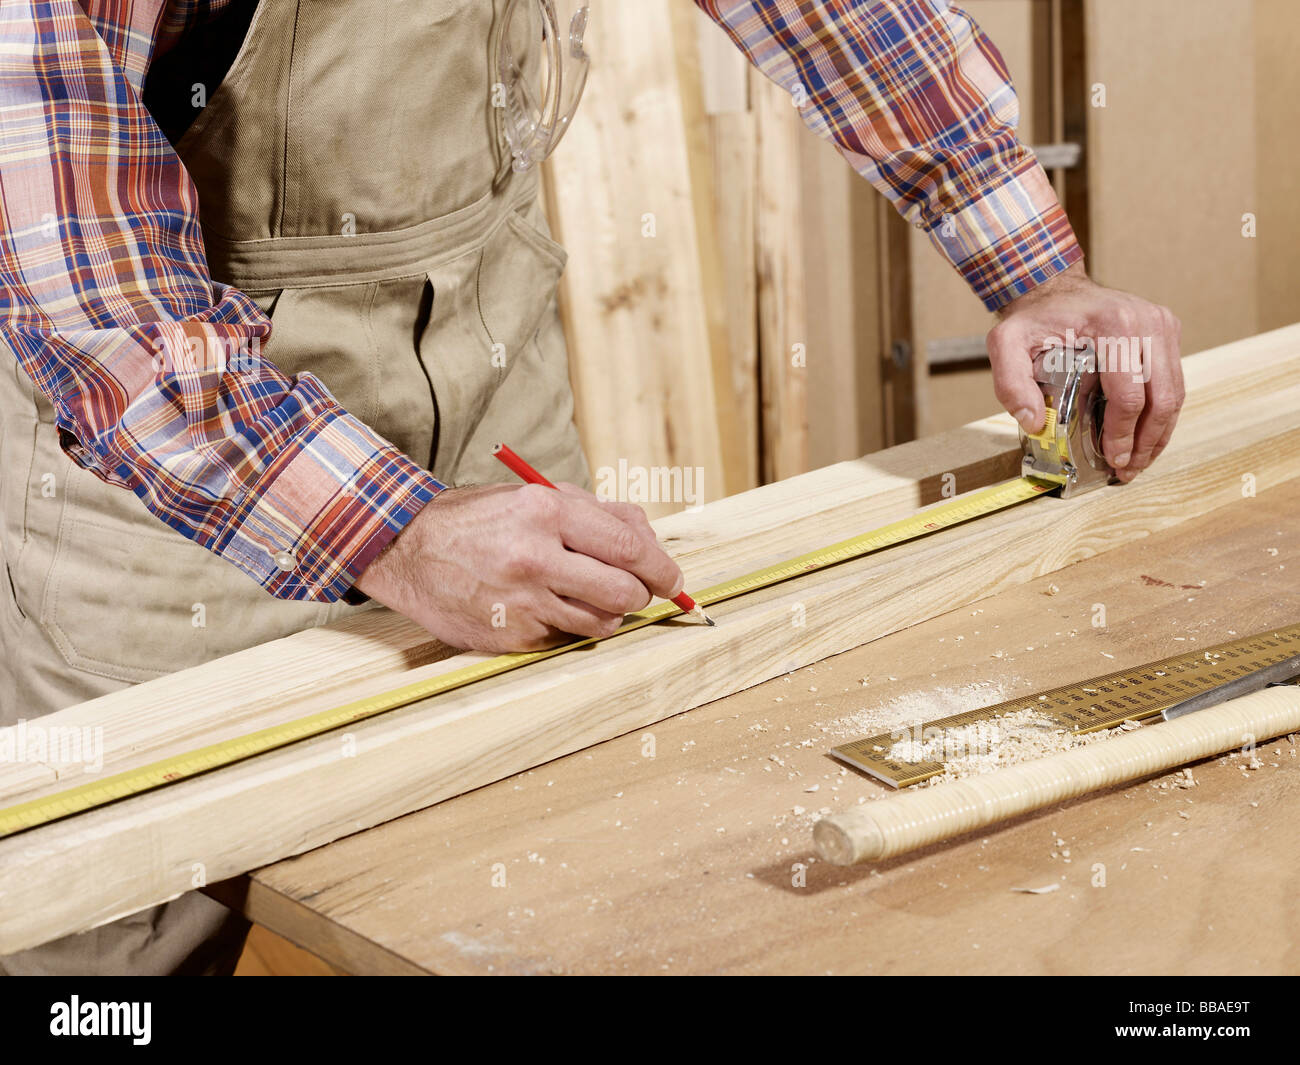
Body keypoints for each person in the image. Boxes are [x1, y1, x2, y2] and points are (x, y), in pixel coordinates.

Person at [0, 0, 1182, 974]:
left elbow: (839, 13)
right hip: (187, 460)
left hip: (488, 347)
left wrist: (1032, 267)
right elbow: (99, 309)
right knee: (130, 924)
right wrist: (397, 530)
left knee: (543, 855)